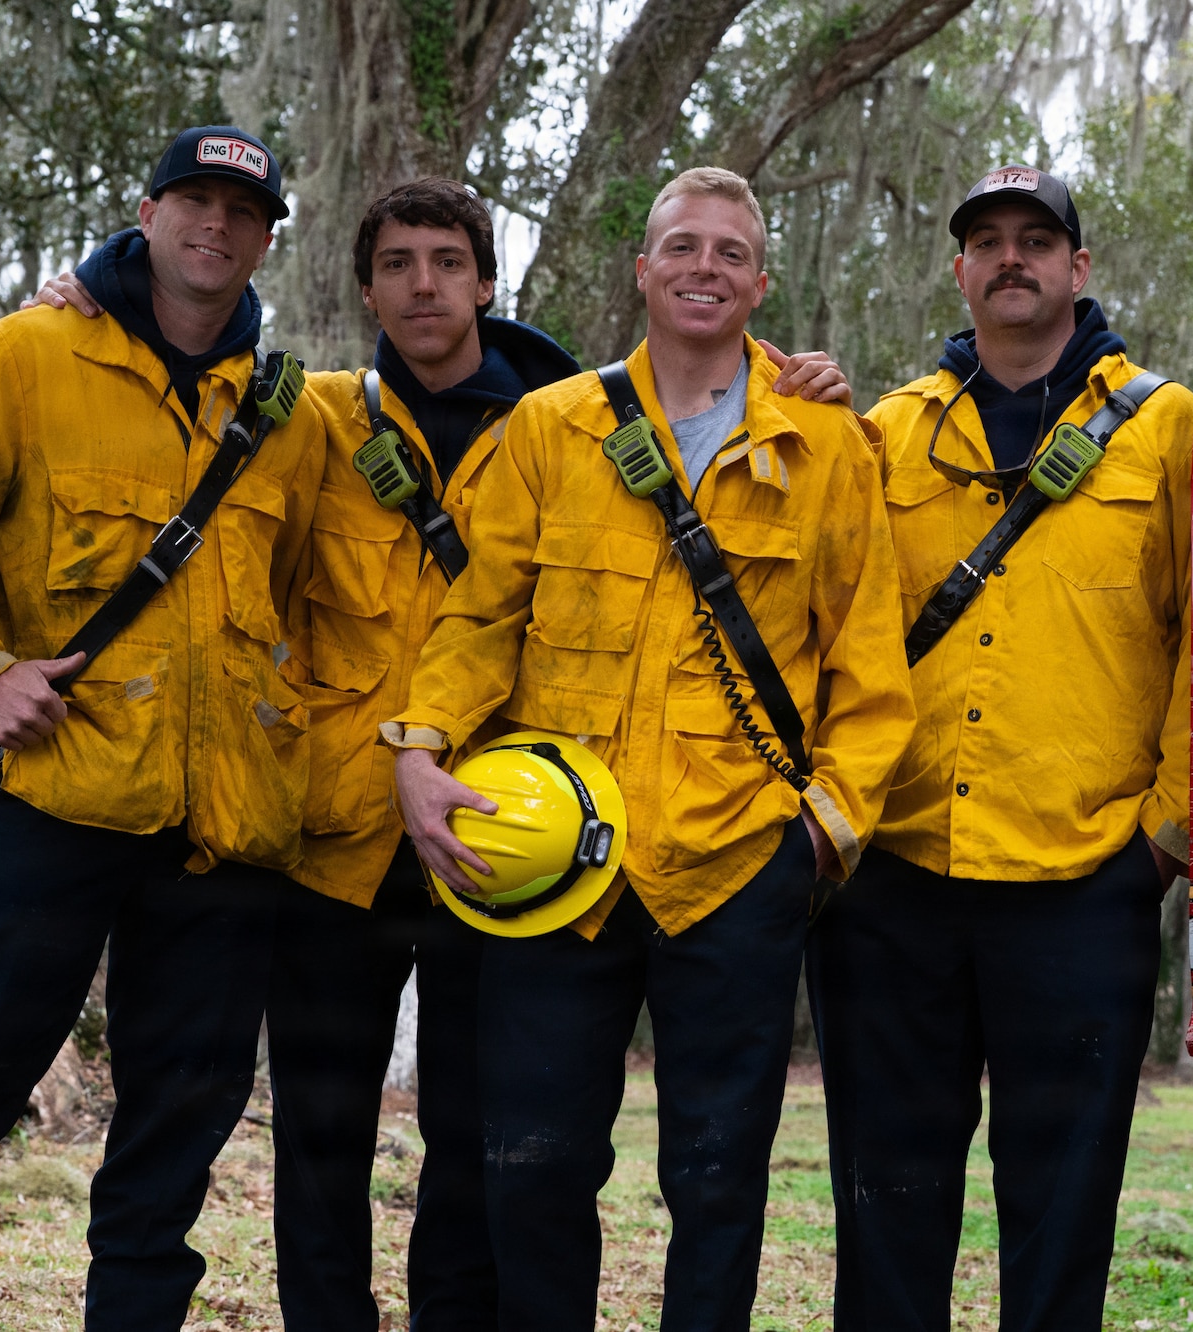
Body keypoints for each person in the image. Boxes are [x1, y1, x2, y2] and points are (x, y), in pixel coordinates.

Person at [31, 175, 853, 1330]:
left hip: (509, 843)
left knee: (490, 1140)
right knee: (324, 1132)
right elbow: (170, 398)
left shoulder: (571, 418)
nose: (424, 285)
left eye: (448, 262)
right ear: (363, 284)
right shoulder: (310, 414)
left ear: (484, 279)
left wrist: (822, 822)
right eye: (399, 264)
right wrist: (97, 295)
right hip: (341, 837)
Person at [387, 165, 913, 1330]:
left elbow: (869, 673)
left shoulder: (825, 449)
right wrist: (419, 752)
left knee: (716, 1184)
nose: (703, 268)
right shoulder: (553, 427)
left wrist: (817, 835)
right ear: (642, 269)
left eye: (730, 252)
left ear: (760, 283)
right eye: (682, 245)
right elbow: (479, 621)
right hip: (557, 864)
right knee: (530, 1167)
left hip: (734, 865)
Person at [0, 125, 325, 1329]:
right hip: (56, 794)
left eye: (243, 212)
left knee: (179, 1127)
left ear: (266, 237)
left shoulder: (291, 411)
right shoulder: (28, 355)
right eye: (193, 200)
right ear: (145, 211)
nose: (215, 226)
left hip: (224, 825)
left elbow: (468, 396)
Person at [807, 164, 1192, 1331]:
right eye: (987, 241)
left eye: (1037, 239)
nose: (1010, 257)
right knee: (885, 1195)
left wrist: (1159, 842)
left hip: (1081, 883)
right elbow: (813, 617)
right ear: (960, 269)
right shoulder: (882, 431)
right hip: (895, 879)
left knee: (1061, 1208)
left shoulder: (1167, 426)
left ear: (1078, 269)